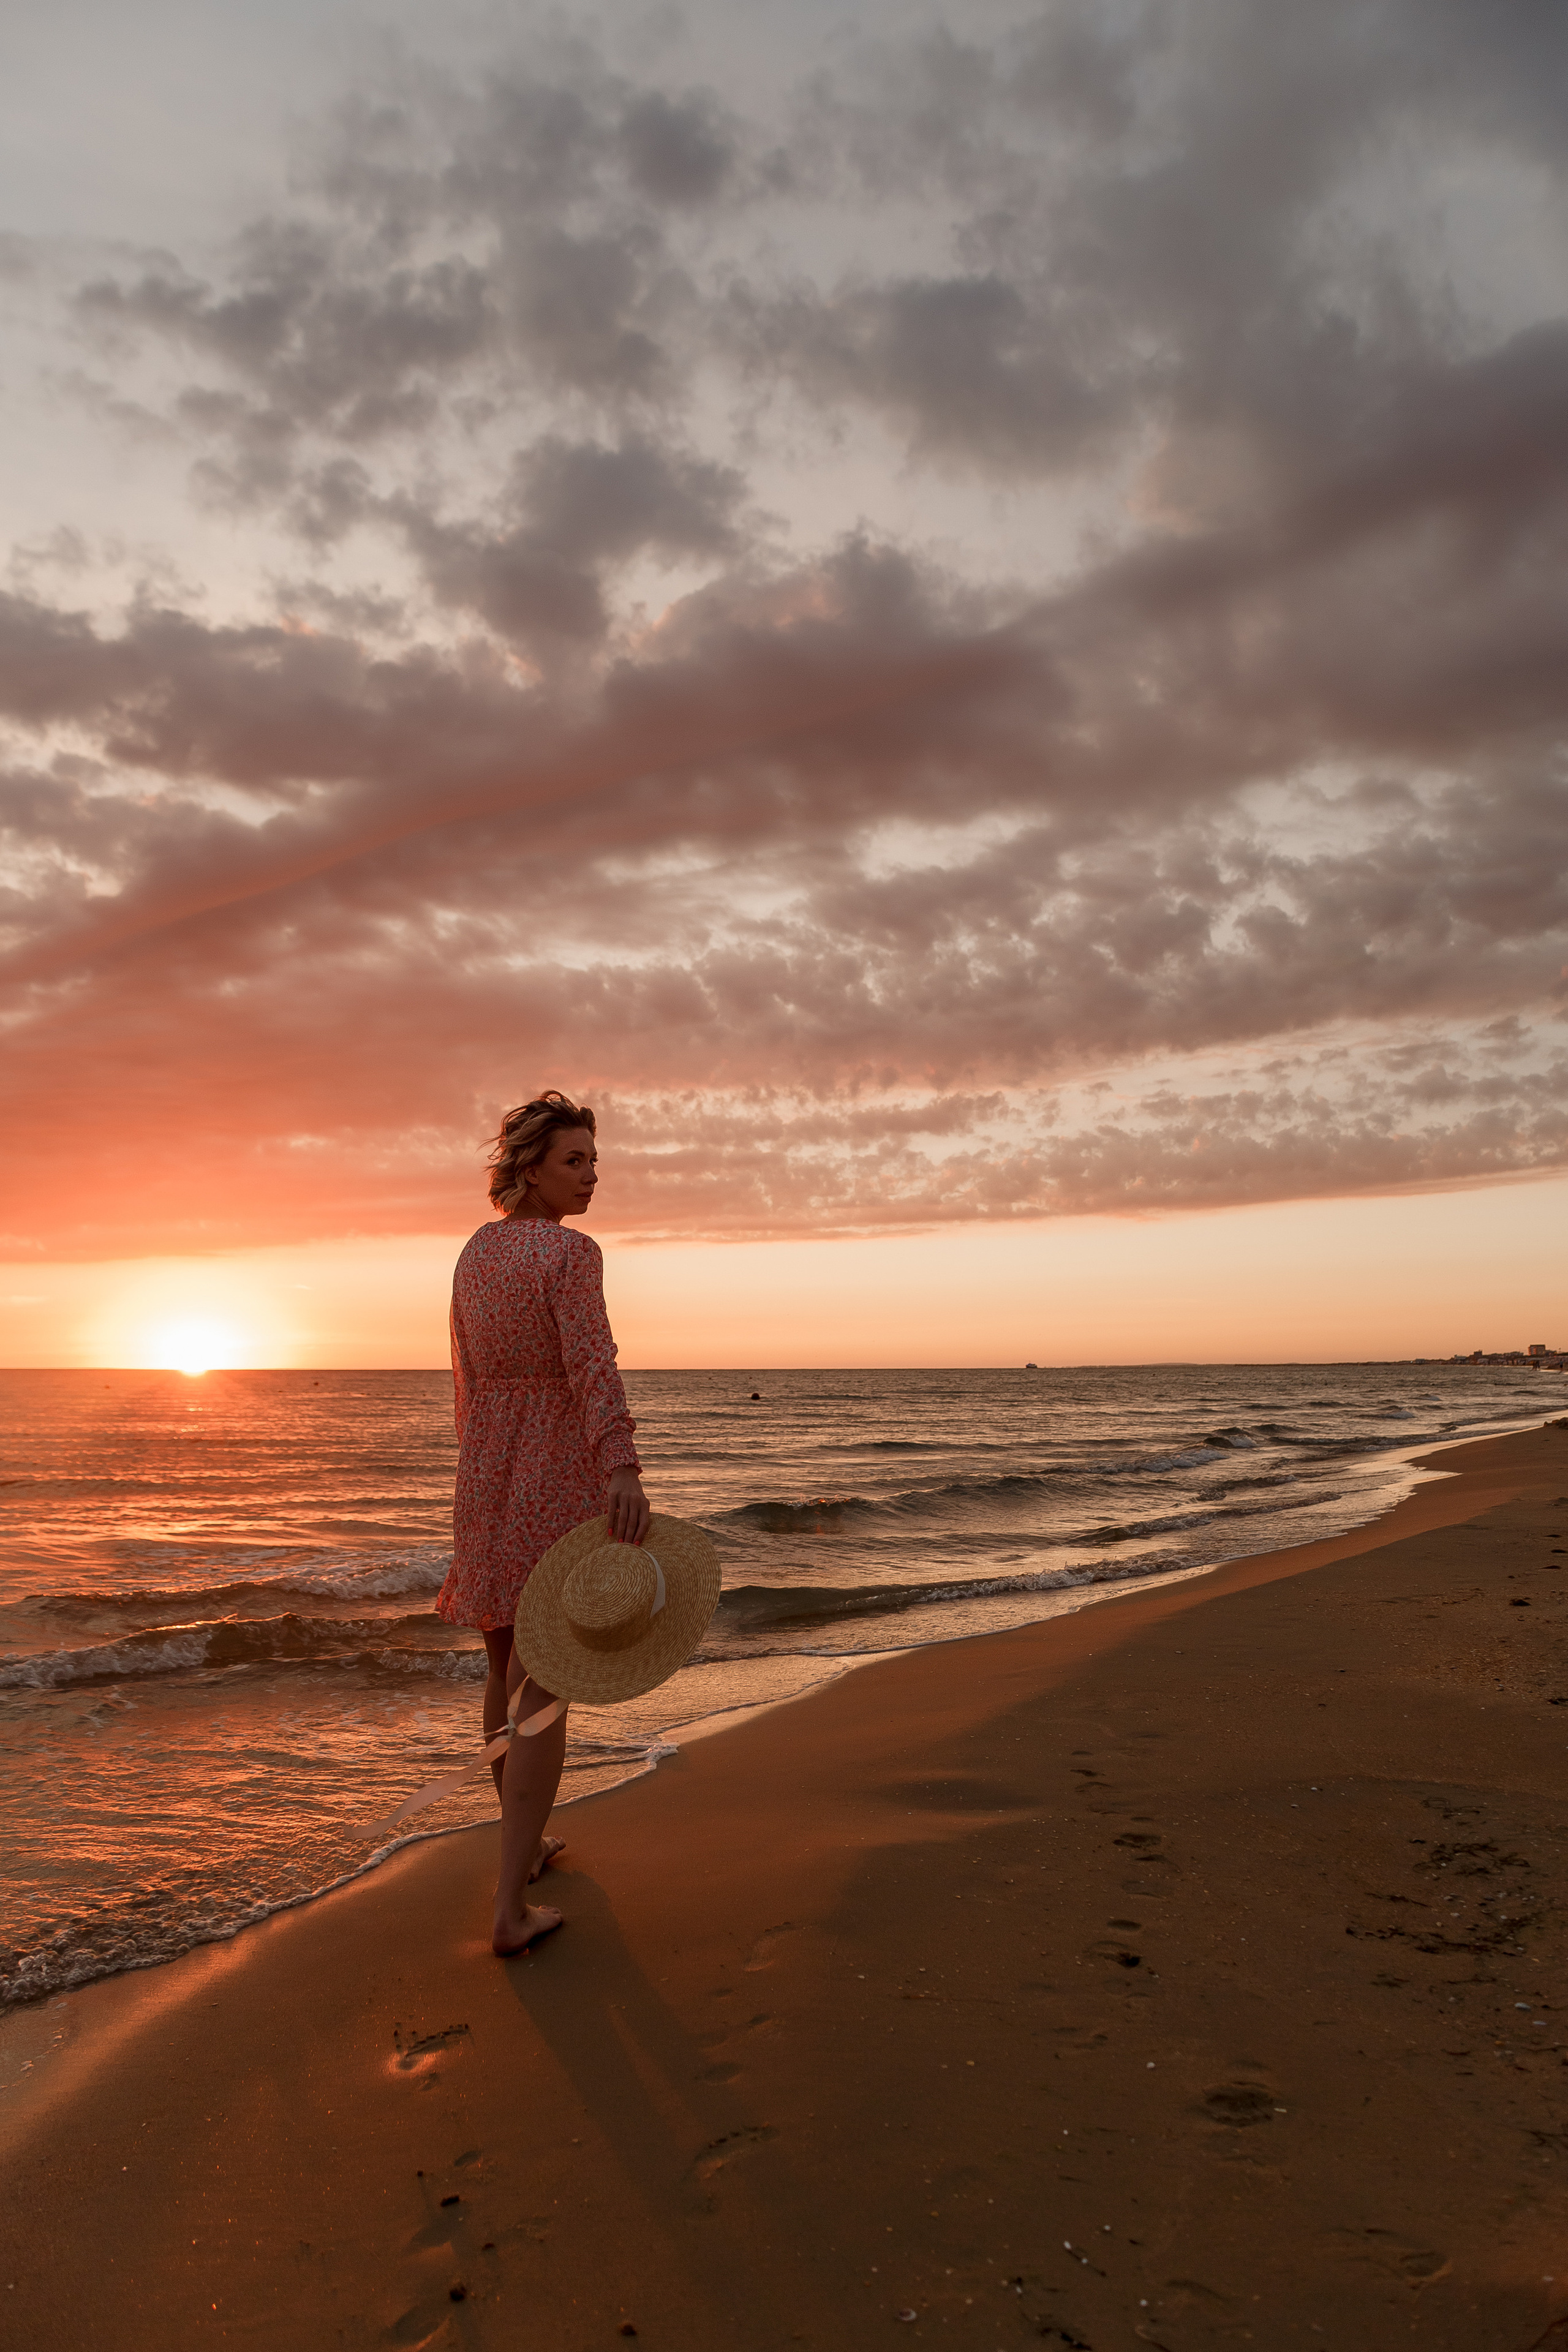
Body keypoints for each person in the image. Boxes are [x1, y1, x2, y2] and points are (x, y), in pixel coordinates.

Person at [434, 1090, 650, 1954]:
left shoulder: (475, 1254)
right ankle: (507, 1910)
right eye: (575, 1161)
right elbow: (592, 1364)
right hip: (554, 1468)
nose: (592, 1178)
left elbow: (466, 1375)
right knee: (545, 1688)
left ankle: (523, 1857)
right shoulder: (569, 1254)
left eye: (594, 1162)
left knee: (504, 1672)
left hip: (486, 1468)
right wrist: (620, 1467)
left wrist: (481, 1464)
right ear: (530, 1168)